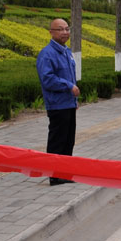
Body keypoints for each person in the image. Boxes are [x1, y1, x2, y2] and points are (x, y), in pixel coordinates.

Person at [36, 18, 79, 186]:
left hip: (68, 103)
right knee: (57, 140)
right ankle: (54, 175)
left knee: (68, 140)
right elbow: (47, 79)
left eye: (67, 29)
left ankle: (65, 172)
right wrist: (69, 86)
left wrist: (74, 99)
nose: (65, 32)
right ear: (51, 32)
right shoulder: (47, 54)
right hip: (57, 104)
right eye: (60, 29)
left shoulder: (67, 52)